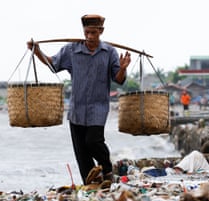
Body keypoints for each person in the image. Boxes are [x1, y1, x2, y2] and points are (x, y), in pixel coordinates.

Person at [27, 14, 131, 186]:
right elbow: (53, 64)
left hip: (98, 108)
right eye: (87, 32)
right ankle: (92, 183)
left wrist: (123, 68)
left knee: (93, 141)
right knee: (82, 152)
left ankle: (106, 167)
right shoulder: (71, 50)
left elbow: (119, 79)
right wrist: (37, 51)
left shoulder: (109, 52)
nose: (90, 37)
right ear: (83, 31)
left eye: (94, 33)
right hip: (77, 109)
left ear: (101, 31)